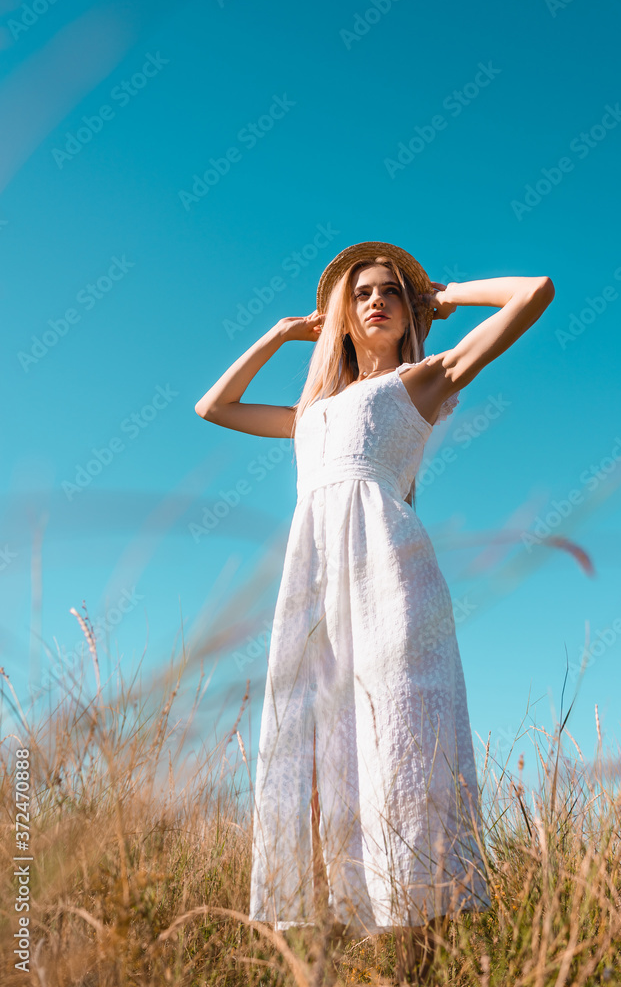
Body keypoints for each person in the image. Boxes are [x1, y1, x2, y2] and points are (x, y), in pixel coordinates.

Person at [195, 241, 555, 981]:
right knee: (321, 751)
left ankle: (420, 961)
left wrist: (442, 292)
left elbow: (535, 292)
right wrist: (278, 332)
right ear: (342, 315)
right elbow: (214, 407)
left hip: (390, 576)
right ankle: (338, 956)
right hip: (315, 587)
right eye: (360, 294)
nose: (376, 301)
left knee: (402, 740)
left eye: (391, 291)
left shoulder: (419, 382)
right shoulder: (311, 413)